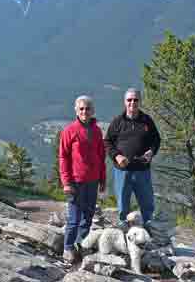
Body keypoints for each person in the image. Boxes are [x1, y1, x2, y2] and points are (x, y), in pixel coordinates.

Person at [104, 88, 160, 231]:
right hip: (123, 171)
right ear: (125, 102)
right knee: (123, 206)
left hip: (142, 170)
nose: (132, 103)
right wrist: (117, 156)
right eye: (129, 100)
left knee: (147, 205)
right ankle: (124, 231)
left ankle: (149, 230)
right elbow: (107, 142)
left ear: (140, 101)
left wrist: (151, 152)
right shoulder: (117, 122)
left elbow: (156, 140)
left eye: (135, 100)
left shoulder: (147, 121)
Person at [59, 95, 106, 263]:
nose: (84, 111)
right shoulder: (69, 131)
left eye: (87, 108)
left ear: (92, 111)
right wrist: (66, 182)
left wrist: (102, 179)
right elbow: (63, 157)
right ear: (76, 111)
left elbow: (101, 156)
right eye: (81, 109)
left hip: (92, 180)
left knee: (88, 216)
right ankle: (68, 248)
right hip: (76, 182)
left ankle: (81, 245)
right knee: (74, 218)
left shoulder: (97, 131)